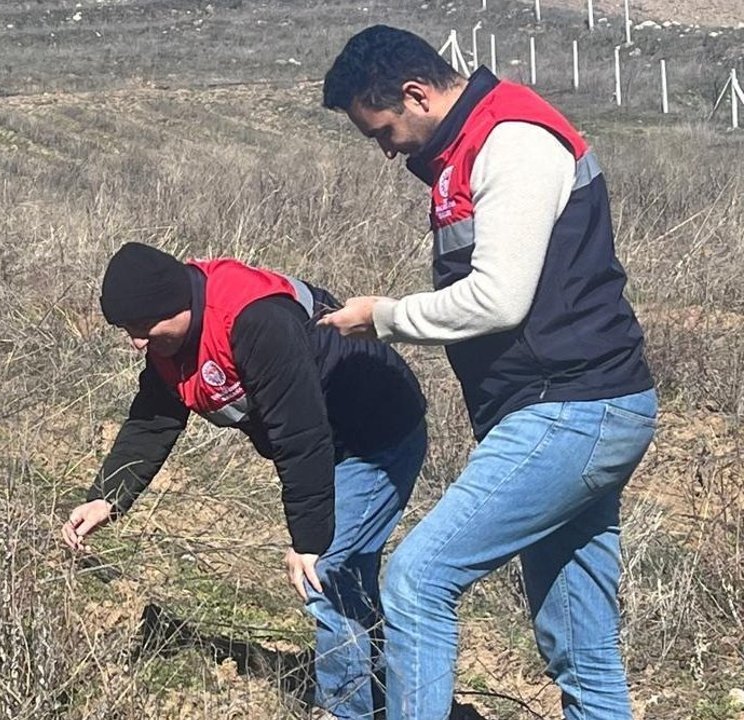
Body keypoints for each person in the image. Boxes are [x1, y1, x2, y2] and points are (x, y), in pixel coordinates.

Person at [318, 25, 657, 720]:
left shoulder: (512, 142)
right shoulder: (465, 153)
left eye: (381, 130)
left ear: (415, 94)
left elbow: (499, 300)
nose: (385, 151)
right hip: (573, 407)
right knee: (579, 642)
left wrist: (381, 316)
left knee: (417, 580)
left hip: (571, 407)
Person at [61, 242, 428, 718]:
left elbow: (300, 432)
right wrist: (107, 498)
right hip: (325, 445)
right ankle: (376, 692)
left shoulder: (255, 321)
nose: (136, 342)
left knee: (329, 571)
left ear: (179, 306)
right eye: (128, 330)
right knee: (347, 577)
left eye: (142, 327)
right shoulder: (169, 341)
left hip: (376, 435)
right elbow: (154, 418)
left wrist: (310, 537)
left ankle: (349, 709)